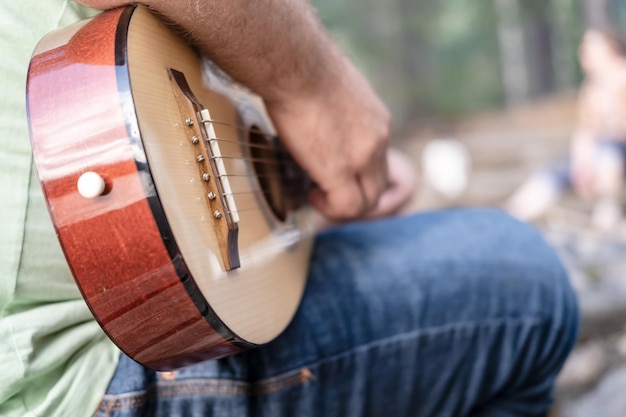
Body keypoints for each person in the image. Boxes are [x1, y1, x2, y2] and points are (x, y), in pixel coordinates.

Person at [0, 1, 578, 416]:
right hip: (83, 371)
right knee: (529, 288)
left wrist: (319, 174)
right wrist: (319, 87)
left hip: (167, 305)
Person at [507, 27, 626, 230]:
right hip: (600, 157)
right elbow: (585, 132)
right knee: (549, 176)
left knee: (609, 155)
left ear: (611, 48)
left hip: (615, 156)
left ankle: (608, 216)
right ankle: (508, 220)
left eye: (590, 46)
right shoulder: (591, 88)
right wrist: (582, 164)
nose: (583, 51)